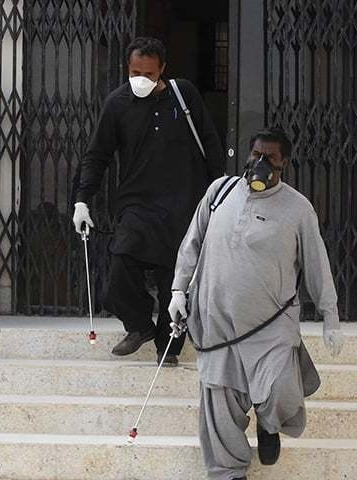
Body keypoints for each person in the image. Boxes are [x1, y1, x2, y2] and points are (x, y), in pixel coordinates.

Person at [168, 127, 345, 479]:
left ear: (284, 164)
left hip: (271, 326)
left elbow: (317, 265)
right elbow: (192, 243)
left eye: (271, 158)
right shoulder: (218, 193)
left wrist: (331, 316)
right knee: (220, 401)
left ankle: (269, 424)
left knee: (280, 385)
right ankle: (228, 471)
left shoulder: (297, 208)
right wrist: (177, 291)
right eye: (256, 155)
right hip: (217, 322)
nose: (261, 163)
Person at [72, 36, 224, 365]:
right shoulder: (117, 103)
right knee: (117, 276)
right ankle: (140, 326)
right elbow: (97, 155)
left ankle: (167, 348)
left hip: (183, 206)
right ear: (127, 68)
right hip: (136, 205)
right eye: (134, 71)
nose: (140, 78)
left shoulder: (184, 95)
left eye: (149, 73)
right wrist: (82, 200)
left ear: (163, 71)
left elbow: (211, 146)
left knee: (175, 284)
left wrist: (217, 198)